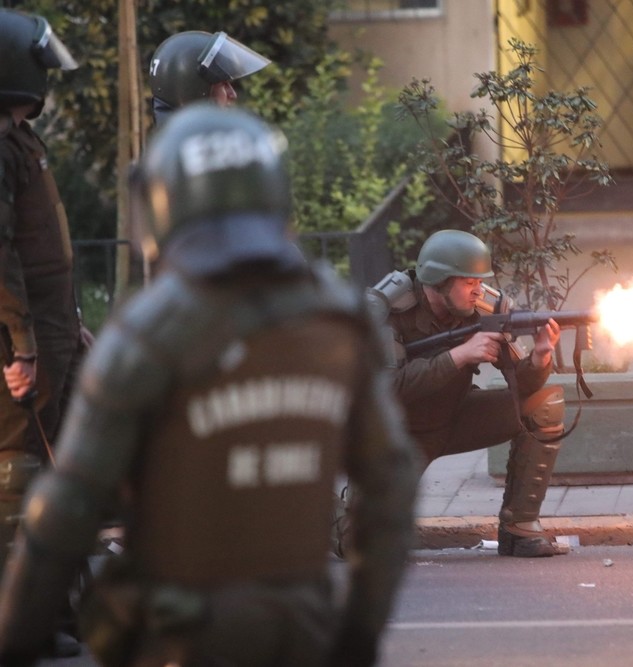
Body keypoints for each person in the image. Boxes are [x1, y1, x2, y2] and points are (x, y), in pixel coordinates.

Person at [0, 104, 420, 666]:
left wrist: (17, 635)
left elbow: (66, 507)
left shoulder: (147, 332)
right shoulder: (337, 319)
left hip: (179, 635)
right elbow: (391, 488)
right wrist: (360, 634)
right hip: (301, 630)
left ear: (163, 203)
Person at [367, 229, 568, 558]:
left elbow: (523, 386)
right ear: (438, 281)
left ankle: (519, 529)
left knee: (543, 405)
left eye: (480, 281)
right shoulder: (387, 311)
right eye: (468, 282)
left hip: (455, 417)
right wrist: (459, 355)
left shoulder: (487, 308)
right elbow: (387, 389)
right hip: (398, 436)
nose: (478, 290)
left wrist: (539, 357)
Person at [0, 8, 86, 658]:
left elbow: (43, 251)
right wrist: (22, 341)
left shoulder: (16, 136)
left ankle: (51, 610)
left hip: (48, 337)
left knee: (46, 474)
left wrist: (67, 324)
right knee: (19, 476)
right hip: (20, 350)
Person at [148, 30, 271, 126]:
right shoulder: (193, 154)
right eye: (222, 84)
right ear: (193, 90)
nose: (233, 94)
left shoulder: (169, 149)